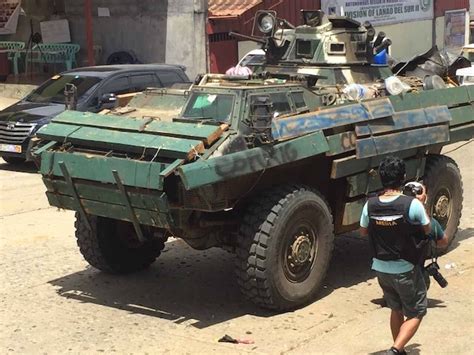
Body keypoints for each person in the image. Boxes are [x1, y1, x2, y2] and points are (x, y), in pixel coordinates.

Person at [359, 156, 431, 355]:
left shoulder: (370, 205)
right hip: (405, 268)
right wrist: (422, 202)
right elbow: (427, 229)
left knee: (395, 308)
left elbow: (363, 232)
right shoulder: (412, 204)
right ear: (404, 178)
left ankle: (399, 350)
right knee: (417, 311)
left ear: (381, 179)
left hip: (381, 268)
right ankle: (395, 350)